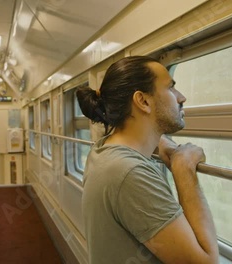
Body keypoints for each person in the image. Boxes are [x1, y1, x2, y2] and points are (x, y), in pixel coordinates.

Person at [77, 56, 219, 264]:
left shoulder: (103, 151)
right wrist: (184, 168)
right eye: (170, 88)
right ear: (142, 101)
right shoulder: (129, 174)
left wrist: (163, 143)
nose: (182, 97)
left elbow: (137, 133)